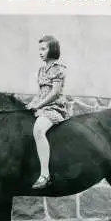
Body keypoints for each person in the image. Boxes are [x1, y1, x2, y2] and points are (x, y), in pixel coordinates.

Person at [25, 35, 69, 189]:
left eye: (44, 49)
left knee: (38, 129)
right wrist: (32, 103)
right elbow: (41, 92)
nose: (40, 52)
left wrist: (39, 105)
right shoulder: (42, 69)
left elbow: (55, 93)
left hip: (54, 107)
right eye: (40, 49)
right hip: (42, 106)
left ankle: (45, 175)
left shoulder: (58, 68)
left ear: (53, 50)